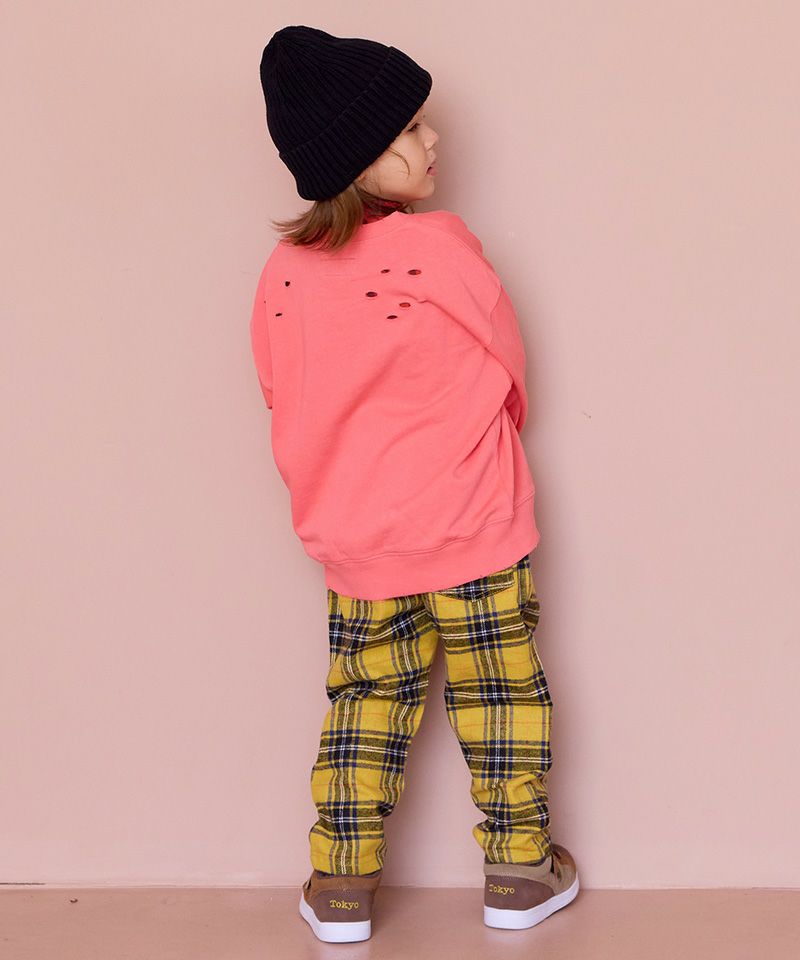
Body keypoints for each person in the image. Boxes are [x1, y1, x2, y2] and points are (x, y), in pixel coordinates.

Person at [253, 24, 578, 944]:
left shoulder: (281, 276)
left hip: (357, 537)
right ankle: (519, 872)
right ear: (358, 156)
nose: (433, 139)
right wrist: (488, 439)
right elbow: (508, 363)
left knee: (365, 706)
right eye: (409, 129)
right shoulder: (439, 249)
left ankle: (340, 886)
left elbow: (279, 391)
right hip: (473, 524)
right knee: (501, 698)